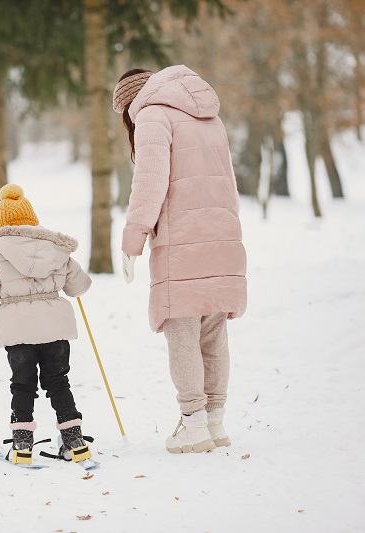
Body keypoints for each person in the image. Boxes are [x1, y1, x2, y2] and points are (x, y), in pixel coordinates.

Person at [113, 65, 247, 454]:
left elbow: (150, 182)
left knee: (182, 330)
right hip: (223, 233)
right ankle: (214, 420)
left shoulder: (153, 115)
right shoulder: (210, 116)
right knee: (213, 331)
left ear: (128, 105)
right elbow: (228, 181)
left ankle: (192, 423)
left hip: (182, 238)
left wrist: (133, 238)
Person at [0, 183, 93, 465]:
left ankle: (22, 445)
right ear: (32, 218)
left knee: (22, 385)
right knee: (58, 382)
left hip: (18, 332)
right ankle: (75, 441)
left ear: (2, 222)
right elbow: (80, 285)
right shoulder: (57, 249)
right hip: (55, 328)